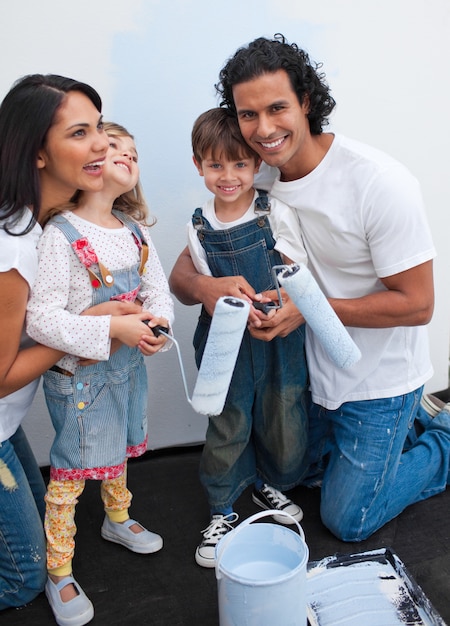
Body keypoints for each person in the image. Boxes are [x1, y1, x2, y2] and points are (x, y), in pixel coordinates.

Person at [169, 34, 450, 543]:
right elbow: (181, 275)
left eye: (277, 107)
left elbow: (419, 304)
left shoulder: (378, 182)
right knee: (295, 476)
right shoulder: (252, 181)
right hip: (306, 375)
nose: (263, 129)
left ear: (306, 101)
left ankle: (442, 440)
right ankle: (405, 432)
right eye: (247, 114)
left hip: (377, 380)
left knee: (348, 518)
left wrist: (309, 310)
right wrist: (208, 288)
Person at [26, 121, 174, 625]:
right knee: (70, 470)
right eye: (114, 148)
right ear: (88, 164)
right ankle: (59, 570)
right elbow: (41, 318)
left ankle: (117, 518)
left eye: (133, 152)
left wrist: (155, 325)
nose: (126, 157)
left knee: (118, 448)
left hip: (126, 370)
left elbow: (157, 294)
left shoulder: (135, 233)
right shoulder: (61, 234)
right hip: (82, 380)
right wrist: (115, 328)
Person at [0, 73, 119, 612]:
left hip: (8, 424)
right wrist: (95, 329)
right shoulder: (15, 248)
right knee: (25, 576)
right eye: (79, 133)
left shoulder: (49, 225)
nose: (101, 144)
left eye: (99, 127)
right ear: (38, 153)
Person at [184, 107, 308, 568]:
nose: (228, 176)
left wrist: (278, 298)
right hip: (225, 345)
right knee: (228, 419)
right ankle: (223, 505)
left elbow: (297, 271)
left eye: (239, 164)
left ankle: (268, 481)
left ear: (257, 164)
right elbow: (202, 286)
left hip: (277, 336)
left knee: (283, 408)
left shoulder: (273, 210)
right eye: (216, 165)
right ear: (199, 166)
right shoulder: (198, 227)